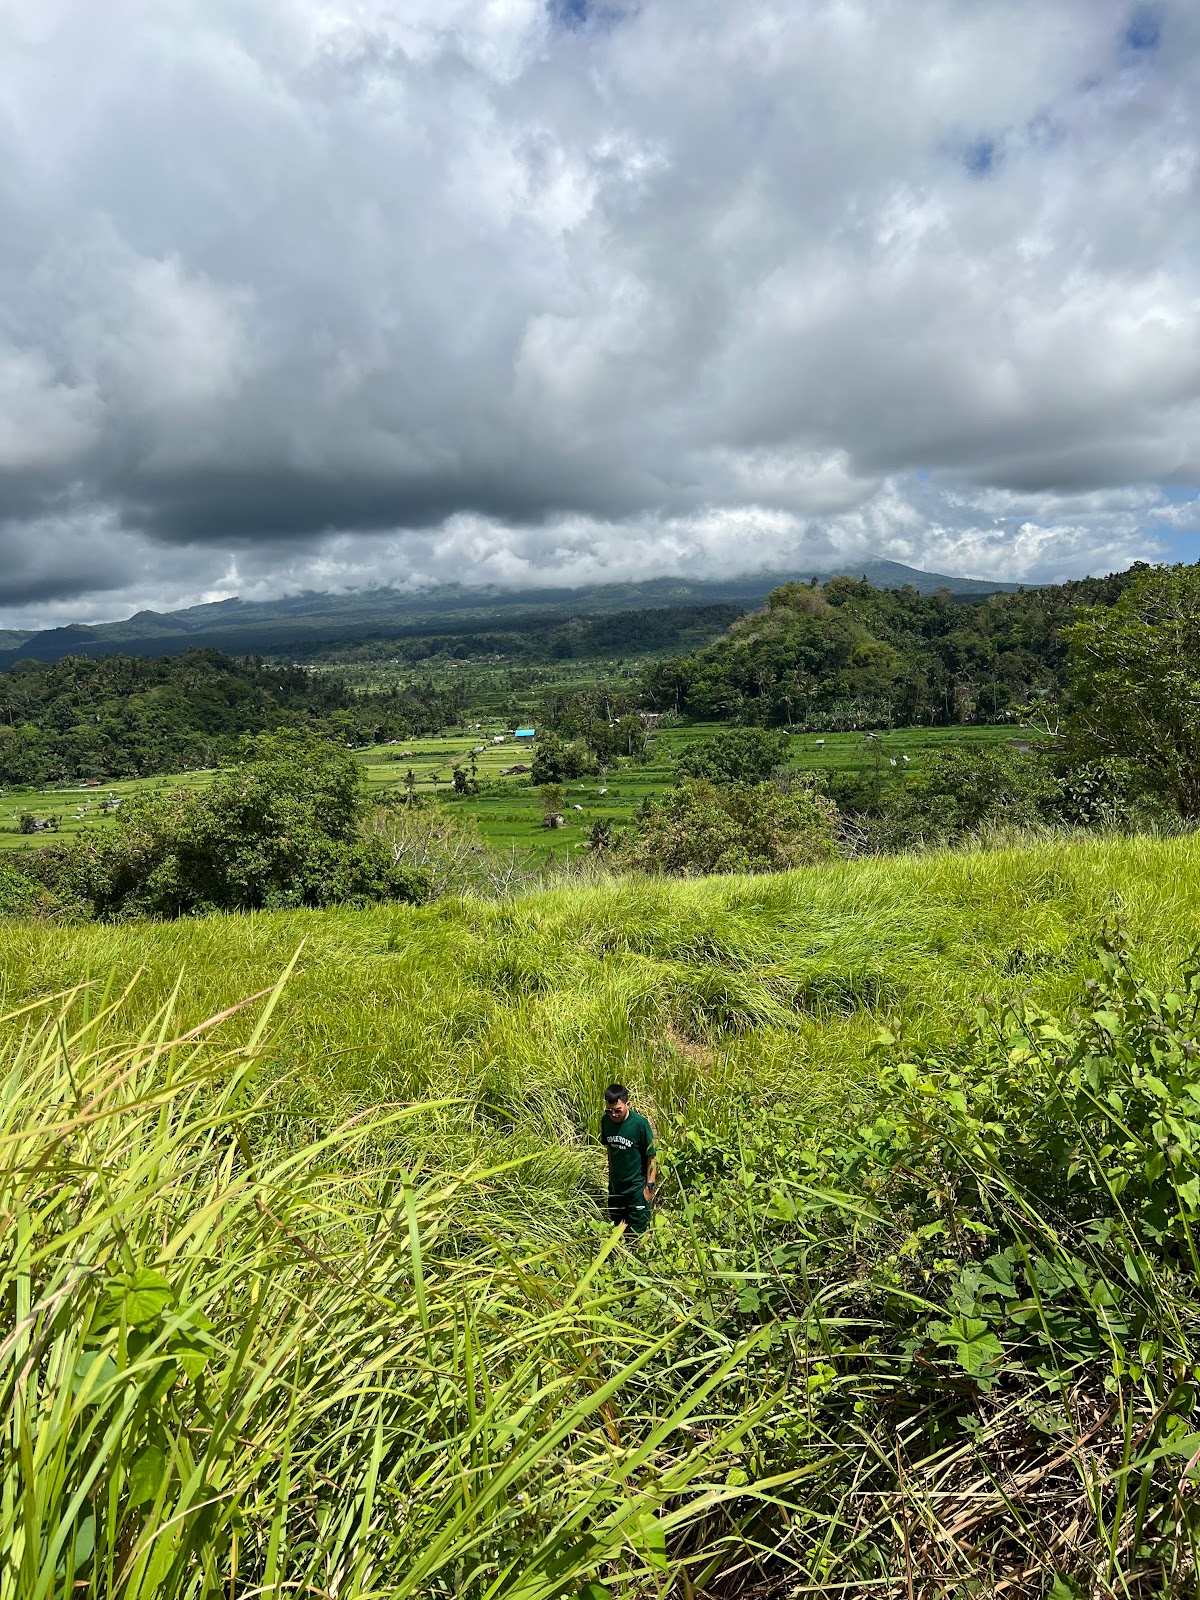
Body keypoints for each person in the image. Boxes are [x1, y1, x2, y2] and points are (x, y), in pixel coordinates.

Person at [599, 1083, 658, 1236]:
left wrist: (649, 1187)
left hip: (637, 1190)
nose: (614, 1114)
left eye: (618, 1110)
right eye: (609, 1110)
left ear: (627, 1104)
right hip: (616, 1188)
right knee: (617, 1229)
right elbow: (610, 1151)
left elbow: (652, 1157)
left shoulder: (640, 1124)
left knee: (639, 1233)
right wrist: (611, 1179)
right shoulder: (605, 1121)